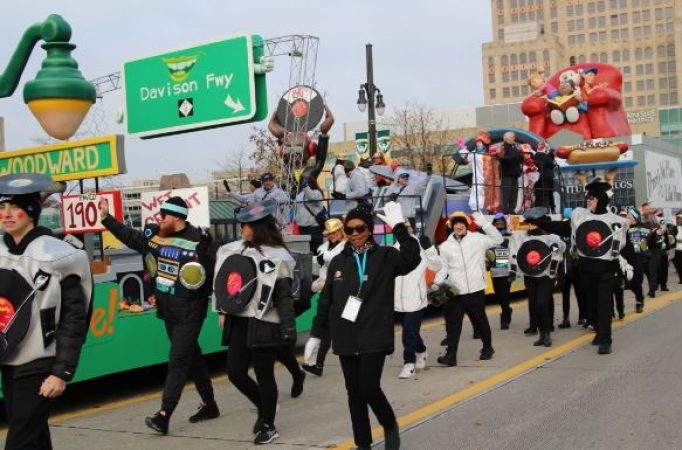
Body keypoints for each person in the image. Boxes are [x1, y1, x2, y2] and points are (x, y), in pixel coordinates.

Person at [99, 195, 219, 434]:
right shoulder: (153, 235)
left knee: (178, 359)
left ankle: (164, 415)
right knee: (191, 356)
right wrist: (106, 219)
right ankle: (211, 406)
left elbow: (218, 271)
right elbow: (130, 236)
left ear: (176, 217)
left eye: (162, 216)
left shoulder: (200, 241)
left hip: (190, 310)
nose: (158, 219)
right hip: (167, 311)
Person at [305, 201, 420, 450]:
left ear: (369, 230)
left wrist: (400, 227)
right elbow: (326, 302)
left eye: (361, 228)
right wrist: (316, 335)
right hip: (345, 337)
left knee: (368, 387)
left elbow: (412, 258)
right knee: (354, 393)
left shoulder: (386, 256)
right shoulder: (337, 262)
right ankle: (363, 444)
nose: (355, 234)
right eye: (350, 230)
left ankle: (389, 424)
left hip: (374, 334)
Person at [0, 174, 91, 450]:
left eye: (14, 207)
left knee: (19, 441)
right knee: (34, 438)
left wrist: (61, 372)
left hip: (41, 365)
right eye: (1, 207)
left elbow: (74, 320)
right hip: (9, 360)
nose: (6, 215)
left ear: (31, 212)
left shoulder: (59, 256)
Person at [214, 200, 297, 445]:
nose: (242, 230)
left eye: (246, 226)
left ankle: (269, 424)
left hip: (265, 321)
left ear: (258, 227)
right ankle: (265, 407)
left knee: (264, 375)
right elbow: (226, 280)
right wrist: (223, 308)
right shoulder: (235, 250)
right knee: (235, 373)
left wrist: (288, 327)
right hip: (239, 320)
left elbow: (284, 295)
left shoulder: (279, 256)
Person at [430, 211, 502, 366]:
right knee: (453, 324)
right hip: (455, 292)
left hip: (475, 289)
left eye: (461, 223)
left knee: (480, 320)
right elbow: (443, 268)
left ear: (466, 225)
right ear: (451, 226)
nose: (459, 226)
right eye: (455, 224)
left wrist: (485, 224)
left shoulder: (477, 239)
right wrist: (437, 282)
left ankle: (488, 348)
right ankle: (451, 355)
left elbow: (498, 239)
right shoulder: (445, 247)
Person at [571, 180, 630, 354]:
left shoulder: (616, 221)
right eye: (588, 198)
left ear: (602, 200)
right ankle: (598, 332)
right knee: (592, 303)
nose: (588, 201)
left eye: (593, 198)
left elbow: (622, 246)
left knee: (604, 304)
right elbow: (566, 230)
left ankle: (606, 340)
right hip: (586, 267)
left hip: (606, 268)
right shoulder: (581, 217)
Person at [509, 207, 565, 347]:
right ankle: (541, 334)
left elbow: (560, 249)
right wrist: (513, 271)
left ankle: (547, 334)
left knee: (542, 303)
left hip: (546, 276)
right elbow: (516, 254)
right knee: (535, 304)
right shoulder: (524, 239)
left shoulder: (551, 238)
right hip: (530, 276)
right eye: (530, 224)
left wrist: (555, 250)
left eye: (534, 223)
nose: (531, 226)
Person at [394, 223, 440, 379]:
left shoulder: (420, 247)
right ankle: (421, 350)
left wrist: (430, 249)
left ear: (411, 229)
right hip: (397, 301)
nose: (405, 231)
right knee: (411, 332)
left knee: (408, 332)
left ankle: (409, 364)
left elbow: (437, 266)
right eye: (402, 228)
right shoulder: (393, 248)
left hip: (415, 299)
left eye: (407, 227)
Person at [304, 219, 346, 377]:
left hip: (341, 292)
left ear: (341, 231)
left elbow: (337, 258)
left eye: (335, 232)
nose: (333, 235)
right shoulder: (323, 247)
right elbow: (319, 264)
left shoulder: (347, 247)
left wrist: (323, 258)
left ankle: (317, 363)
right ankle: (318, 364)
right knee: (324, 327)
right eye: (330, 233)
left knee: (334, 328)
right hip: (326, 291)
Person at [385, 164, 432, 230]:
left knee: (410, 235)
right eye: (403, 176)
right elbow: (385, 199)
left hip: (409, 217)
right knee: (399, 237)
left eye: (407, 176)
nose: (405, 178)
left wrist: (428, 174)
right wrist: (390, 197)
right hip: (397, 218)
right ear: (398, 178)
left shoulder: (412, 187)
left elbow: (423, 183)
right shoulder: (392, 188)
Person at [488, 213, 513, 329]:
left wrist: (513, 270)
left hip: (506, 271)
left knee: (505, 296)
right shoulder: (490, 238)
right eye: (497, 224)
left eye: (501, 224)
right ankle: (507, 309)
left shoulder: (509, 236)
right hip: (494, 272)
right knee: (498, 296)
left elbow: (514, 253)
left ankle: (504, 320)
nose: (499, 226)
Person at [625, 209, 649, 313]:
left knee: (637, 281)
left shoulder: (643, 228)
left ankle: (639, 301)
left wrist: (644, 256)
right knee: (630, 283)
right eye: (627, 216)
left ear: (635, 217)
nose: (627, 217)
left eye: (629, 216)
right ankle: (639, 296)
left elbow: (644, 245)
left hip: (639, 259)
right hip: (628, 259)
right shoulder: (624, 229)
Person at [294, 175, 325, 252]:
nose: (302, 184)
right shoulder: (301, 194)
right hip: (302, 227)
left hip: (314, 228)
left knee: (316, 251)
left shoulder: (317, 193)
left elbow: (312, 198)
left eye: (304, 182)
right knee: (304, 253)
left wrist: (306, 188)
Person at [498, 131, 524, 214]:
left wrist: (519, 156)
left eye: (514, 137)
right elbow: (502, 158)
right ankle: (505, 211)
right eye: (512, 137)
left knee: (514, 193)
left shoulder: (514, 147)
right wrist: (513, 156)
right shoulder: (503, 148)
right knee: (507, 193)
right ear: (506, 139)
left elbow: (519, 157)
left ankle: (512, 210)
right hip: (507, 174)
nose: (514, 139)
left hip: (515, 174)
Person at [532, 141, 556, 211]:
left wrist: (551, 154)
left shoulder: (536, 156)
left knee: (542, 194)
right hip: (546, 178)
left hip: (541, 178)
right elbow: (551, 164)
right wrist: (551, 155)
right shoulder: (544, 156)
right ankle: (550, 209)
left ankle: (541, 209)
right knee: (548, 194)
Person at [673, 214, 682, 284]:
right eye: (677, 219)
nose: (678, 220)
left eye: (680, 219)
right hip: (677, 248)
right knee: (678, 264)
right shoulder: (674, 228)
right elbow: (671, 238)